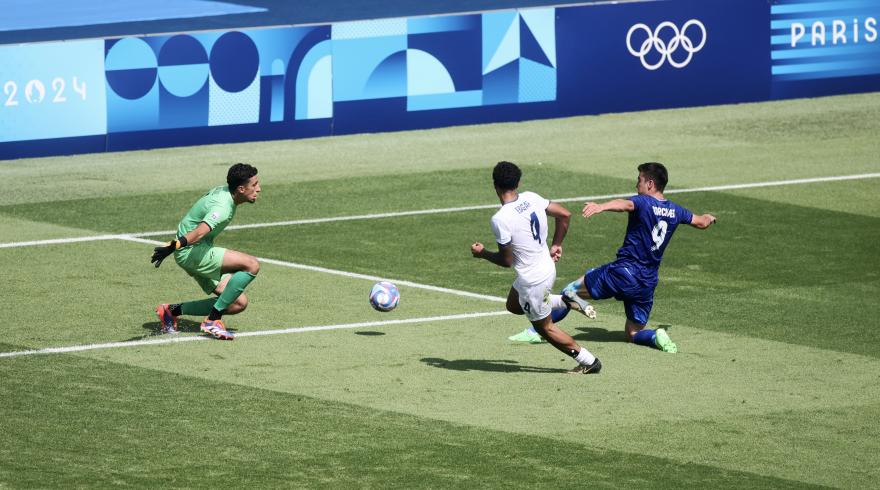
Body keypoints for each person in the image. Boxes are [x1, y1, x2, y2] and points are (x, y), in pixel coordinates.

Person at [560, 162, 716, 353]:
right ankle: (654, 335)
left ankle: (539, 330)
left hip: (623, 273)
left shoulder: (643, 201)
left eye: (639, 180)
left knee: (569, 291)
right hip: (647, 282)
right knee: (633, 333)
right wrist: (709, 217)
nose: (636, 185)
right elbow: (701, 222)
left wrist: (601, 206)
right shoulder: (676, 210)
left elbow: (624, 204)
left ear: (650, 184)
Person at [471, 161, 602, 374]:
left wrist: (482, 253)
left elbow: (507, 261)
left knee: (545, 328)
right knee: (513, 305)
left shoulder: (500, 219)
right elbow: (565, 214)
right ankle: (565, 298)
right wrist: (557, 243)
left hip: (533, 280)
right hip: (546, 268)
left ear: (495, 185)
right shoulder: (531, 197)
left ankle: (589, 361)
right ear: (518, 182)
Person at [151, 163, 262, 340]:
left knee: (237, 303)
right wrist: (174, 246)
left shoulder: (227, 191)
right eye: (254, 185)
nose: (259, 189)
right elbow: (199, 232)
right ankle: (213, 320)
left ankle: (170, 311)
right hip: (192, 251)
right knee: (251, 265)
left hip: (196, 250)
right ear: (241, 189)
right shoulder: (223, 207)